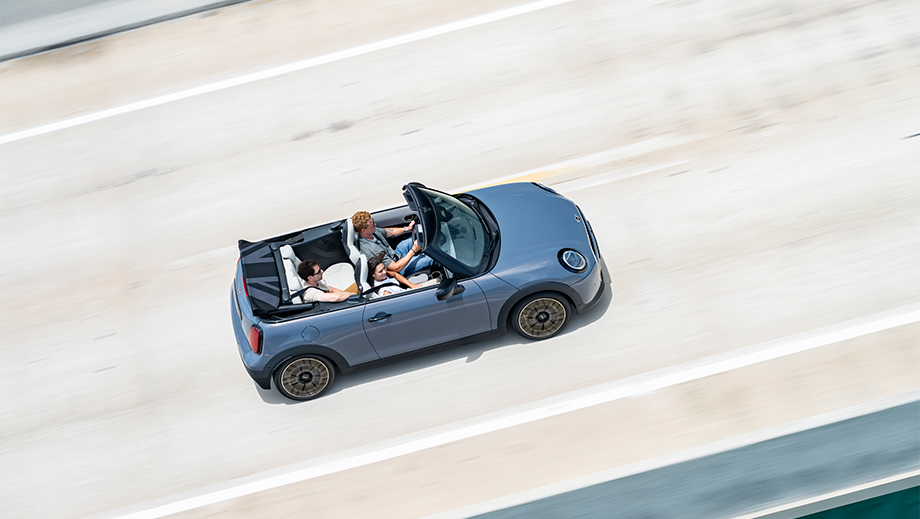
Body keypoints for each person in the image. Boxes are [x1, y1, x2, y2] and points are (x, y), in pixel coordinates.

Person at [351, 211, 434, 277]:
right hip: (399, 268)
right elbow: (396, 268)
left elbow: (387, 232)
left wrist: (407, 229)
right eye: (372, 225)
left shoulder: (371, 232)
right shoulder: (371, 249)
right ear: (363, 230)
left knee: (418, 239)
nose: (375, 225)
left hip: (396, 254)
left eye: (373, 222)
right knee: (429, 258)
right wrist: (413, 250)